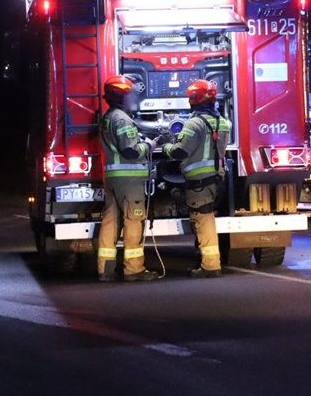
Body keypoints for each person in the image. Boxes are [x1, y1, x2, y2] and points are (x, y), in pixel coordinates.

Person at [164, 79, 232, 279]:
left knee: (203, 220)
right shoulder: (223, 122)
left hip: (199, 181)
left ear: (194, 99)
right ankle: (204, 259)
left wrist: (167, 146)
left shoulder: (194, 123)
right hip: (217, 178)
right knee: (206, 217)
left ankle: (210, 266)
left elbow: (179, 151)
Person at [96, 75, 160, 282]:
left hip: (114, 179)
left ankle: (105, 270)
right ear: (121, 96)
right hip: (129, 180)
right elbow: (131, 151)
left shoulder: (109, 116)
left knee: (110, 223)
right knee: (134, 221)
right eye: (130, 94)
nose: (133, 98)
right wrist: (150, 145)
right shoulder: (122, 119)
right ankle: (134, 269)